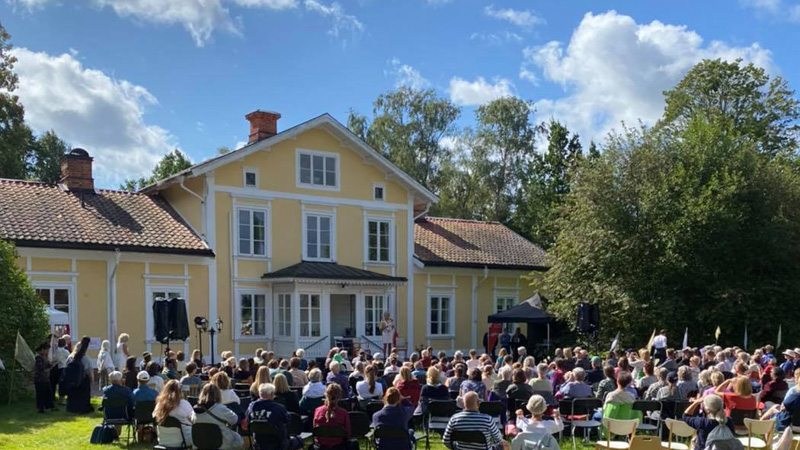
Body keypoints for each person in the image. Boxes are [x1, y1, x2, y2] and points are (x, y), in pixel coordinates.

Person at [245, 383, 303, 450]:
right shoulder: (278, 408)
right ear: (272, 394)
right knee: (299, 440)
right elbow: (287, 419)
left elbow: (248, 419)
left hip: (259, 443)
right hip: (279, 444)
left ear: (260, 394)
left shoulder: (251, 407)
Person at [443, 391, 509, 450]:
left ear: (463, 404)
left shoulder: (454, 419)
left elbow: (445, 440)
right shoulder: (487, 419)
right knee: (505, 444)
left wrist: (455, 448)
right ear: (478, 403)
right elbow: (499, 440)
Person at [193, 383, 244, 450]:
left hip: (200, 444)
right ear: (217, 394)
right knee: (239, 441)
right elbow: (235, 419)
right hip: (222, 444)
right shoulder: (220, 408)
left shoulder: (194, 411)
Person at [153, 380, 194, 448]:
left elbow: (154, 417)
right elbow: (193, 419)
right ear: (180, 391)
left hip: (163, 440)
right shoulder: (184, 404)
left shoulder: (159, 405)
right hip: (183, 441)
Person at [313, 384, 351, 450]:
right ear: (339, 396)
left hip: (321, 446)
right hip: (338, 446)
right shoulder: (343, 413)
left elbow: (315, 428)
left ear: (326, 395)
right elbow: (348, 433)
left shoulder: (317, 411)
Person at [65, 336, 94, 414]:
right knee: (83, 395)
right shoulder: (85, 358)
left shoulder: (70, 357)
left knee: (72, 395)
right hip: (83, 379)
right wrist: (91, 379)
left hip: (72, 379)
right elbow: (89, 370)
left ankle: (72, 408)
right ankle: (83, 408)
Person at [34, 342, 56, 413]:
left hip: (45, 378)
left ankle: (50, 406)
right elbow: (40, 368)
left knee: (48, 392)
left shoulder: (44, 356)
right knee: (41, 394)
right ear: (42, 349)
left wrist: (50, 364)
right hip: (40, 378)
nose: (47, 352)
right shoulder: (38, 357)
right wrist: (48, 367)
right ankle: (41, 408)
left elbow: (46, 364)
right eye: (47, 350)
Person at [51, 337, 70, 405]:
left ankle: (53, 397)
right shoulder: (66, 351)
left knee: (53, 384)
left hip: (57, 368)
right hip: (64, 368)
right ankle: (62, 399)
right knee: (62, 384)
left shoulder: (56, 351)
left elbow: (54, 359)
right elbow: (69, 359)